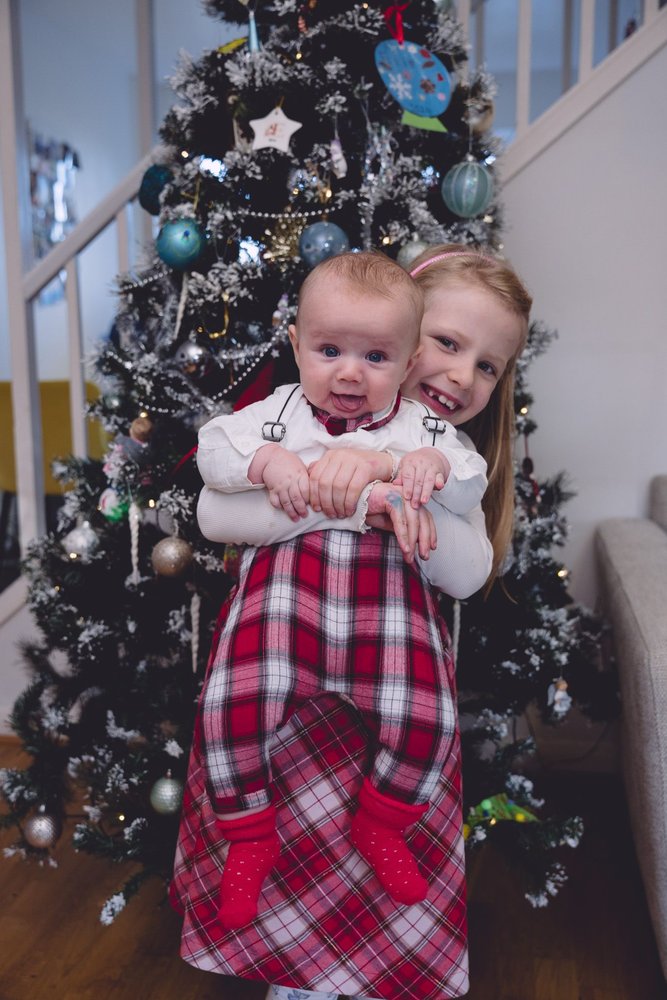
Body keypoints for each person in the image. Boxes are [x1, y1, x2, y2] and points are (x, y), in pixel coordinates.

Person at [172, 244, 532, 1000]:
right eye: (447, 342)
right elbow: (215, 511)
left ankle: (373, 956)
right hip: (286, 650)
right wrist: (354, 496)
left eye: (487, 366)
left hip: (384, 661)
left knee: (403, 779)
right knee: (256, 755)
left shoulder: (440, 448)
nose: (459, 376)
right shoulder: (290, 415)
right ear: (409, 336)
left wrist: (382, 471)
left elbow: (465, 567)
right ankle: (288, 969)